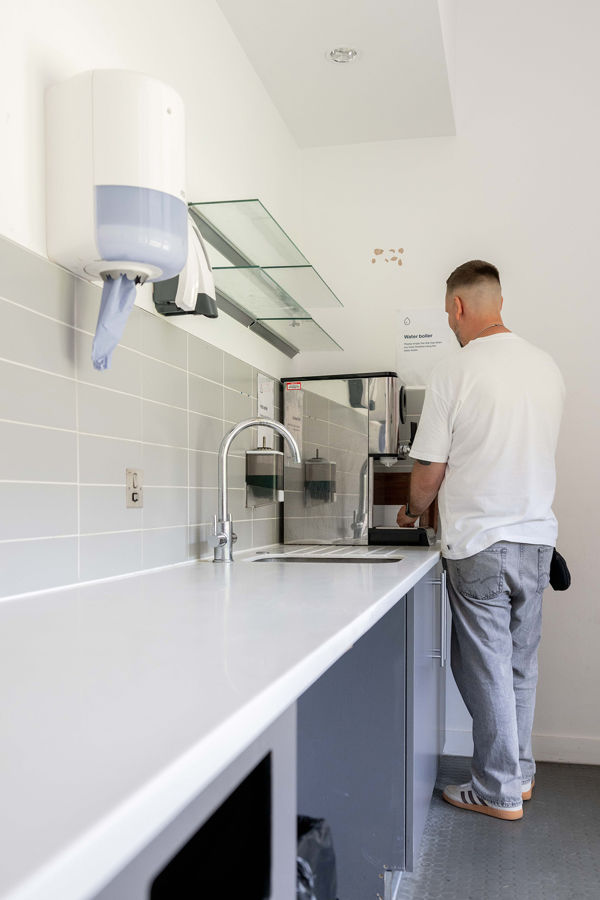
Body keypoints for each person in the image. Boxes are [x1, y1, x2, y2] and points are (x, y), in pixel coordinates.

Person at [396, 260, 564, 821]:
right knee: (519, 665)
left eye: (449, 314)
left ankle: (494, 789)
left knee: (482, 667)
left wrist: (413, 510)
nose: (451, 325)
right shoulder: (547, 368)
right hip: (537, 541)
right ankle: (518, 776)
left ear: (459, 306)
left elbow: (428, 474)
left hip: (481, 545)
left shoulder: (456, 370)